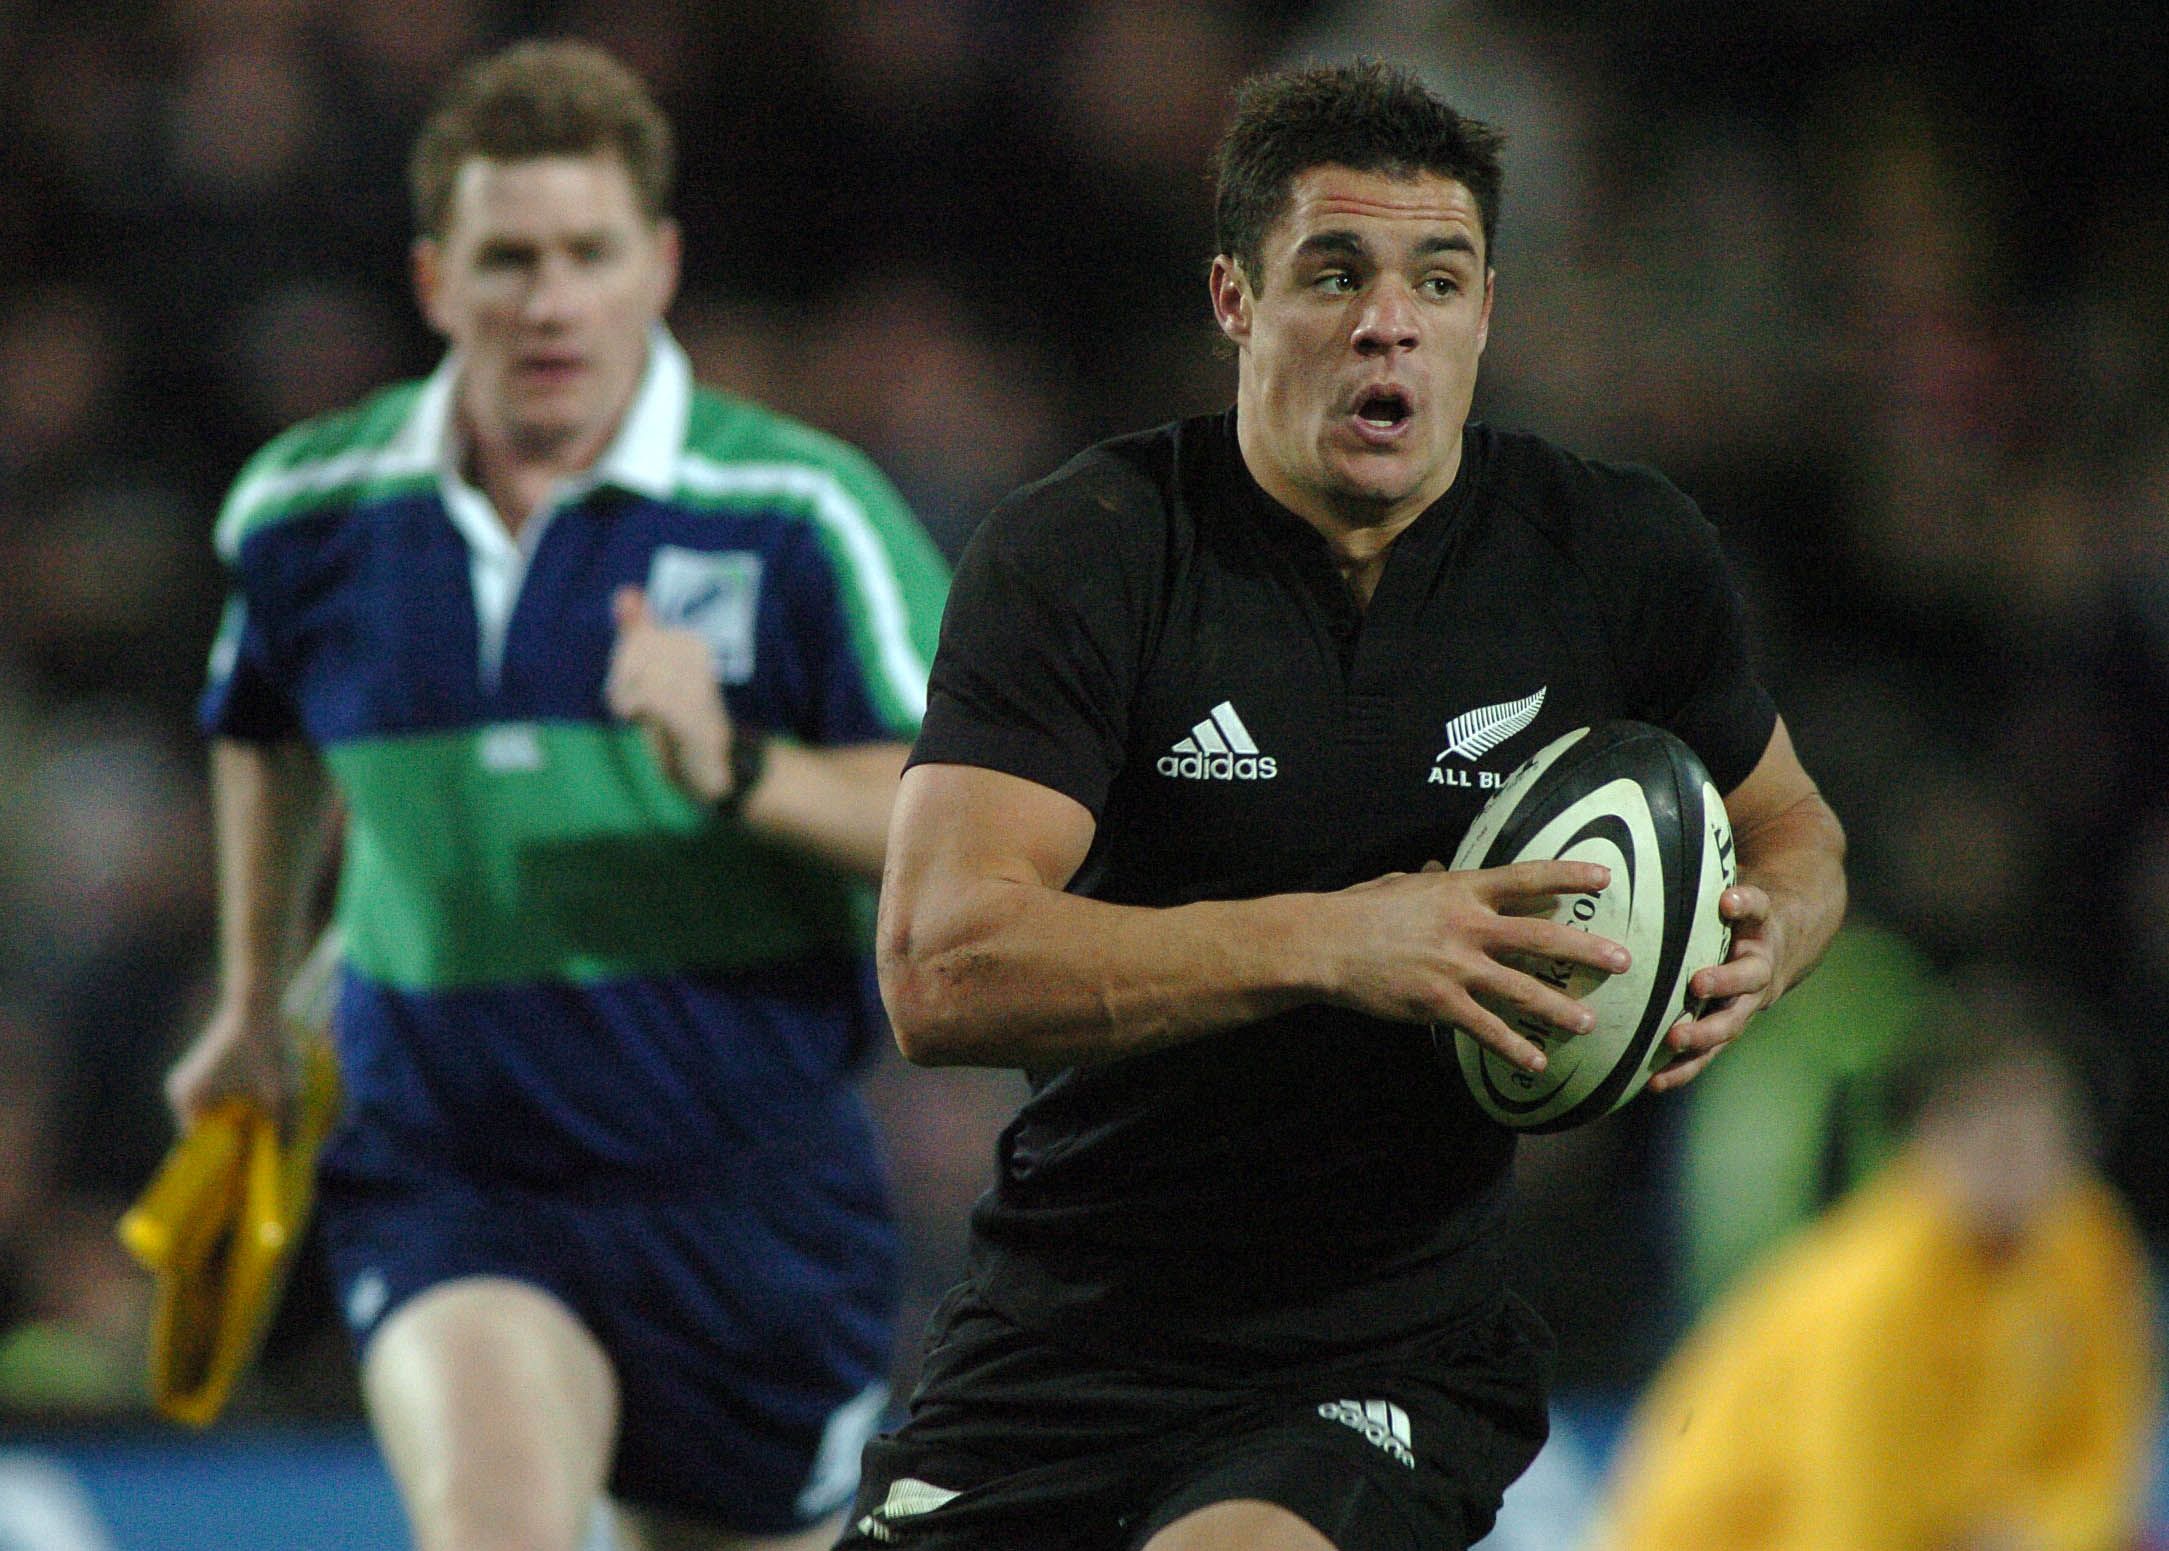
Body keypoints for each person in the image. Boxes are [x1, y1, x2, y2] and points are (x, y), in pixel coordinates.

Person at [844, 58, 1848, 1551]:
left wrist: (1767, 941)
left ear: (1485, 312)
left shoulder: (1615, 556)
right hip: (1068, 1329)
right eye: (1334, 271)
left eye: (1437, 279)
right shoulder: (1090, 551)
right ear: (1233, 300)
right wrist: (1335, 939)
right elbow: (939, 967)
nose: (1389, 318)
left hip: (1383, 1348)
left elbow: (1797, 834)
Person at [163, 39, 949, 1551]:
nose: (546, 298)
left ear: (655, 266)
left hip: (744, 1186)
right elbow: (258, 727)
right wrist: (255, 995)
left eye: (586, 252)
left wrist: (733, 765)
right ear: (432, 280)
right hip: (452, 1162)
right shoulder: (307, 511)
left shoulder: (797, 510)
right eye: (504, 258)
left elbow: (958, 821)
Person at [1586, 971, 2159, 1551]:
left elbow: (2100, 1463)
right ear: (1924, 1135)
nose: (2015, 1148)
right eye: (1985, 1123)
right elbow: (1843, 1530)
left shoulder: (2087, 1243)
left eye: (2039, 1120)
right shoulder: (1872, 1295)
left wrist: (2044, 1534)